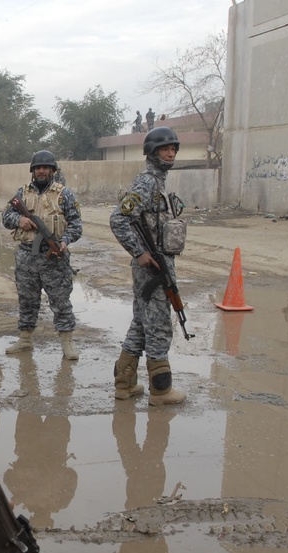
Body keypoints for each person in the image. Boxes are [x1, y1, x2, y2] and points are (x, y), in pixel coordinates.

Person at [110, 127, 188, 405]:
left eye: (174, 149)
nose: (171, 153)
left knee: (142, 324)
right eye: (165, 149)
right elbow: (118, 219)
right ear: (152, 152)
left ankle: (124, 384)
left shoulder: (159, 182)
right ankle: (161, 390)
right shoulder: (147, 182)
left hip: (158, 262)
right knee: (158, 326)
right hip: (151, 266)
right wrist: (139, 252)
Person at [1, 149, 83, 360]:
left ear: (52, 170)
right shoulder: (22, 192)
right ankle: (25, 339)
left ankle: (67, 343)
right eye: (38, 168)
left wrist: (65, 241)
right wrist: (20, 221)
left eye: (46, 168)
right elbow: (6, 215)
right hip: (27, 255)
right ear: (33, 171)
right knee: (27, 300)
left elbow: (76, 225)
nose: (42, 171)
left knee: (60, 301)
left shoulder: (64, 194)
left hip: (54, 257)